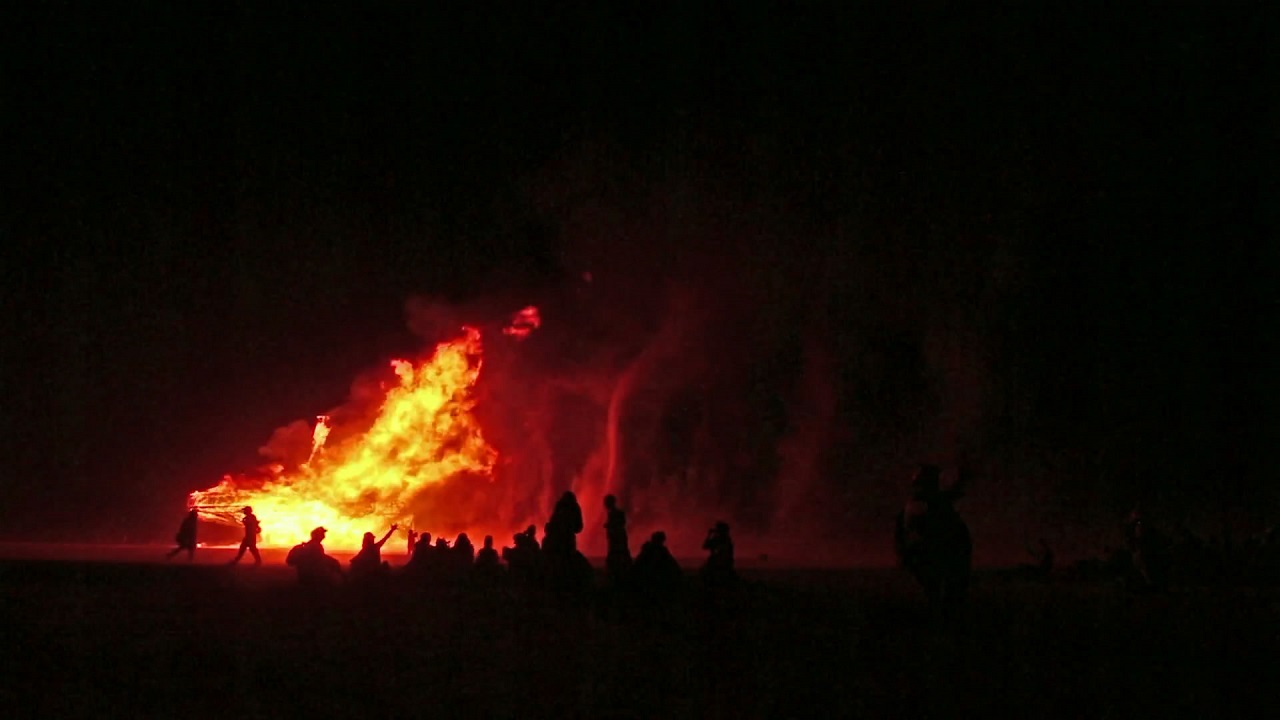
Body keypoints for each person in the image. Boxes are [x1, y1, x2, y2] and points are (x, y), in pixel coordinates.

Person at [893, 463, 972, 621]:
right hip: (934, 552)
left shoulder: (927, 502)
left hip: (938, 551)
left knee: (943, 589)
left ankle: (942, 614)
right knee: (939, 588)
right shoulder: (921, 504)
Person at [603, 494, 631, 586]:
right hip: (619, 536)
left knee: (616, 554)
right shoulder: (617, 512)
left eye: (606, 503)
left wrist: (609, 525)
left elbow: (618, 524)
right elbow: (622, 523)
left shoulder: (613, 513)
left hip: (616, 537)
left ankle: (615, 575)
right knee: (621, 553)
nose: (604, 505)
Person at [700, 521, 736, 587]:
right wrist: (709, 536)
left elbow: (724, 553)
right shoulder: (716, 539)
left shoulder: (726, 540)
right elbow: (705, 546)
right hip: (716, 563)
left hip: (722, 564)